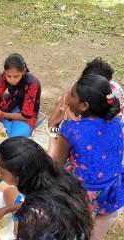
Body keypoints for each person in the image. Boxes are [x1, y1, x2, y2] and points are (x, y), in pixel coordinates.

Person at [49, 74, 124, 239]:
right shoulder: (117, 123)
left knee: (51, 178)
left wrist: (53, 127)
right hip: (113, 190)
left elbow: (54, 166)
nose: (68, 96)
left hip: (85, 195)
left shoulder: (70, 130)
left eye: (72, 95)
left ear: (84, 106)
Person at [0, 137, 92, 240]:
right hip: (66, 227)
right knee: (8, 192)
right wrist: (5, 210)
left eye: (2, 171)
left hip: (55, 230)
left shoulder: (35, 219)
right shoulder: (53, 177)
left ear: (20, 176)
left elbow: (36, 217)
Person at [0, 53, 41, 137]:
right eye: (9, 76)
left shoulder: (31, 84)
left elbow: (26, 116)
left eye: (16, 76)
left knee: (15, 136)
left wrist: (3, 115)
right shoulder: (4, 75)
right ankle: (9, 122)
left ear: (23, 71)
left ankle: (7, 121)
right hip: (12, 102)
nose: (12, 80)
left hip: (27, 112)